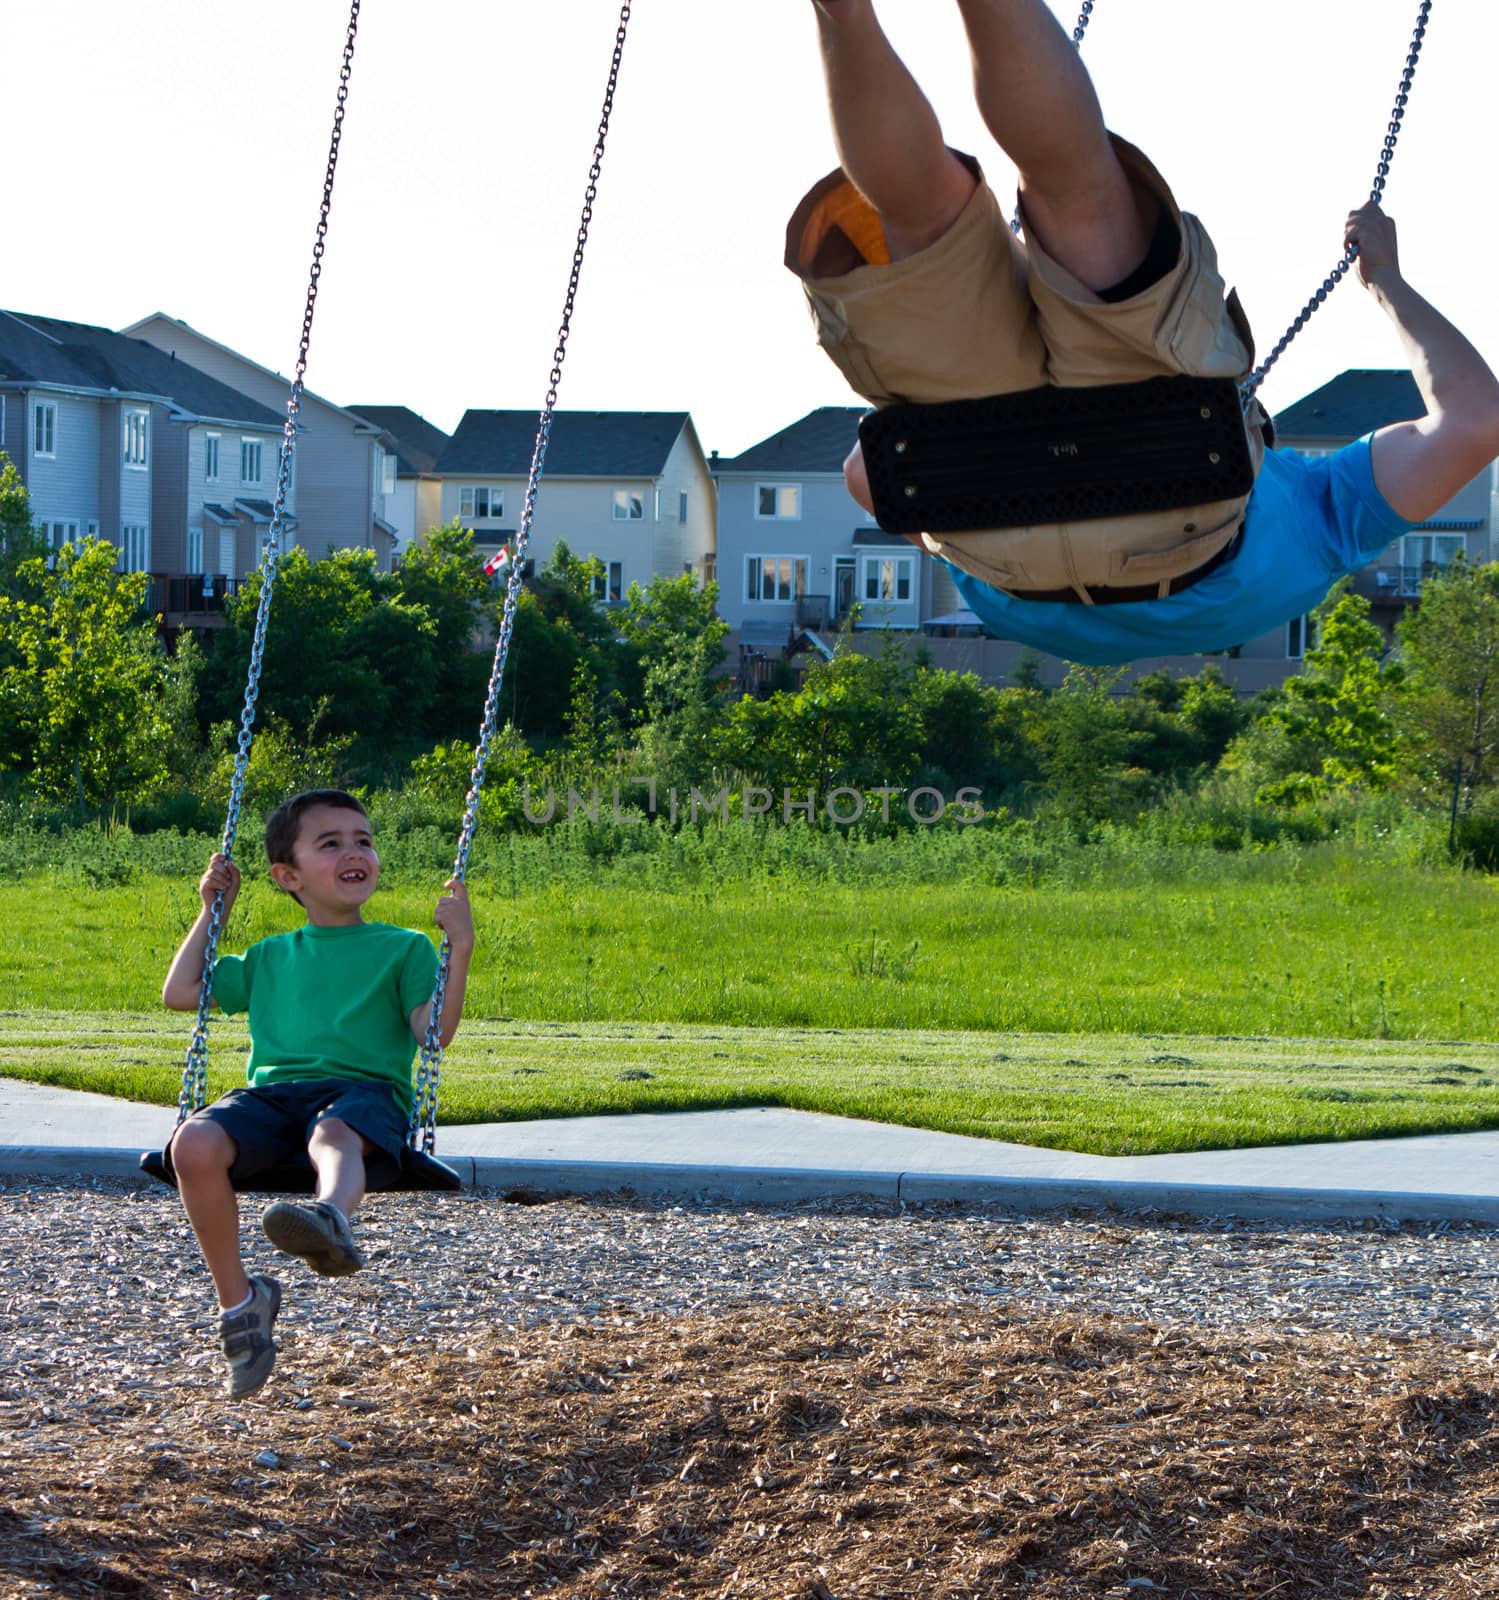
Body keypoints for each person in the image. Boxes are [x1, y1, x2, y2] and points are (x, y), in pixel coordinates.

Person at [790, 0, 1499, 664]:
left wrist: (1385, 280)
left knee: (1077, 192)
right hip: (994, 531)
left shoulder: (1327, 534)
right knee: (922, 221)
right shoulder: (1317, 535)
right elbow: (866, 474)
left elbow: (1476, 423)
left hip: (1178, 481)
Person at [160, 789, 476, 1398]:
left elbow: (432, 1035)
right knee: (193, 1142)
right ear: (288, 876)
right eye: (329, 843)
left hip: (364, 1094)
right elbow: (182, 990)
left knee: (333, 1133)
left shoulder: (404, 947)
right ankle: (241, 1305)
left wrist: (459, 947)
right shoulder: (270, 955)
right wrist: (213, 909)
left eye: (363, 840)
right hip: (275, 1096)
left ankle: (330, 1219)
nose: (354, 852)